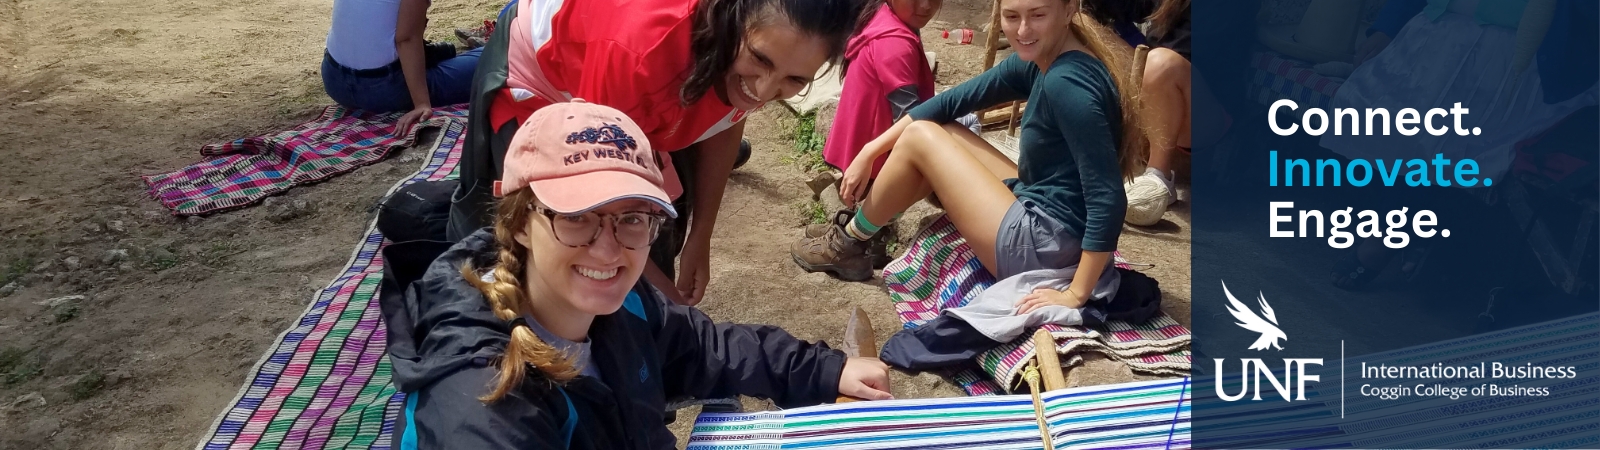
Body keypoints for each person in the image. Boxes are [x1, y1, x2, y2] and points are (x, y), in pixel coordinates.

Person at [380, 102, 893, 449]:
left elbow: (703, 348)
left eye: (631, 218)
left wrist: (824, 372)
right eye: (575, 216)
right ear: (518, 223)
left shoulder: (621, 304)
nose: (607, 247)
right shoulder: (481, 404)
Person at [448, 0, 876, 307]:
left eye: (793, 80)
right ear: (730, 15)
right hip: (541, 79)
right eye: (759, 60)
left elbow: (725, 121)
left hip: (648, 82)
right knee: (549, 240)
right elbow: (604, 201)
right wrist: (667, 302)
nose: (763, 91)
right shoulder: (639, 51)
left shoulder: (737, 60)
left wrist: (699, 239)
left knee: (650, 235)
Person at [793, 0, 1145, 305]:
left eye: (1038, 15)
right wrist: (870, 150)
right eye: (1012, 16)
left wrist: (1076, 294)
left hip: (1044, 249)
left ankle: (849, 242)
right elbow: (950, 102)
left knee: (919, 137)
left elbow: (1108, 197)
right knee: (941, 129)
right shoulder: (1045, 56)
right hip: (1048, 220)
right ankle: (867, 230)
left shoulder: (1066, 83)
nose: (1022, 29)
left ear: (1070, 8)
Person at [800, 0, 943, 274]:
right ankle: (853, 242)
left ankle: (863, 231)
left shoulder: (885, 15)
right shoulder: (896, 43)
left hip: (867, 144)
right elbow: (911, 123)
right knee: (929, 162)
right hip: (878, 156)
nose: (926, 5)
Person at [321, 0, 481, 134]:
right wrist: (421, 103)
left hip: (334, 79)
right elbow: (406, 39)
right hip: (382, 89)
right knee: (498, 55)